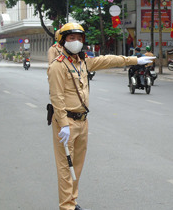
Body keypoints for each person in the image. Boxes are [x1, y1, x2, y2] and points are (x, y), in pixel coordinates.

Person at [47, 23, 154, 210]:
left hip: (82, 121)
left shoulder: (83, 63)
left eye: (79, 38)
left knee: (77, 165)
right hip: (67, 123)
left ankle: (72, 199)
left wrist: (135, 60)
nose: (76, 42)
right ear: (63, 41)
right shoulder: (58, 67)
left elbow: (109, 60)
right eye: (72, 38)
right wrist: (63, 123)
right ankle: (66, 206)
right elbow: (57, 97)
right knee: (66, 166)